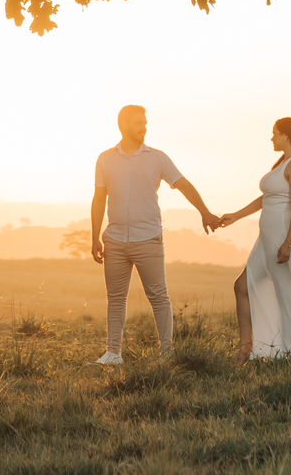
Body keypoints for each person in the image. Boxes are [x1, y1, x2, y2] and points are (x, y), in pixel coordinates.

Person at [91, 104, 221, 367]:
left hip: (148, 238)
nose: (144, 128)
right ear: (124, 124)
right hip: (114, 240)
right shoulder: (105, 159)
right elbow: (98, 199)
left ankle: (167, 353)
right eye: (139, 123)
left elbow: (182, 184)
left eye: (146, 123)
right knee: (115, 298)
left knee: (158, 297)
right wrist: (94, 237)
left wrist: (204, 212)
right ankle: (113, 354)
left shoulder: (157, 157)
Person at [215, 117, 291, 365]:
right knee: (241, 287)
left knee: (288, 296)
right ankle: (246, 349)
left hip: (283, 239)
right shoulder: (281, 163)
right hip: (265, 240)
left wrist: (288, 243)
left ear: (286, 135)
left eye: (274, 133)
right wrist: (236, 216)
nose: (271, 138)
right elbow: (267, 198)